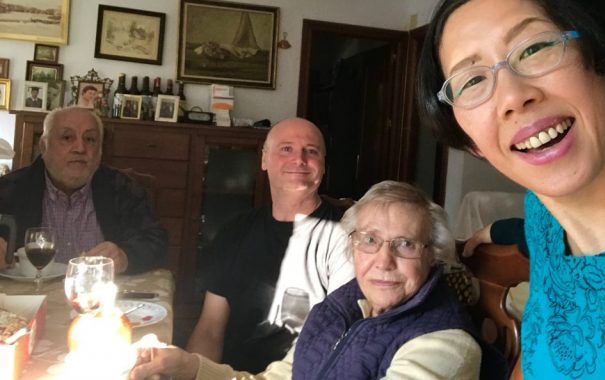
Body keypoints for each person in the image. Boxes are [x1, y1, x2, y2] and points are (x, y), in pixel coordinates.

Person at [416, 0, 605, 378]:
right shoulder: (545, 218)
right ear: (472, 143)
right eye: (472, 80)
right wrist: (488, 232)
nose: (513, 96)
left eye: (535, 48)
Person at [130, 180, 501, 380]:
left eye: (405, 244)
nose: (383, 261)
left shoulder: (443, 344)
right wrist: (191, 368)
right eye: (369, 241)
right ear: (352, 245)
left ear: (433, 254)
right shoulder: (340, 306)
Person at [185, 117, 354, 372]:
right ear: (264, 159)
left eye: (311, 151)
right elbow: (210, 329)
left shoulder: (346, 236)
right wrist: (194, 373)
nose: (299, 159)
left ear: (323, 165)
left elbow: (339, 341)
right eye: (286, 149)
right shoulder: (235, 231)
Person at [0, 106, 168, 274]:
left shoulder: (123, 188)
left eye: (90, 139)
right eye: (67, 137)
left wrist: (125, 256)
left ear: (100, 151)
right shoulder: (8, 189)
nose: (80, 148)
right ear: (44, 147)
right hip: (26, 290)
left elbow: (155, 240)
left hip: (99, 288)